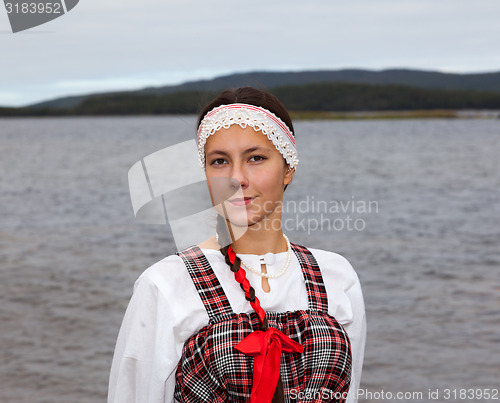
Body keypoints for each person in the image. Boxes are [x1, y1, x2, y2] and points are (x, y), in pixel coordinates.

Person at [108, 87, 366, 403]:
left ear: (288, 168)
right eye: (219, 161)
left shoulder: (336, 276)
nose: (236, 178)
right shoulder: (166, 284)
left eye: (255, 158)